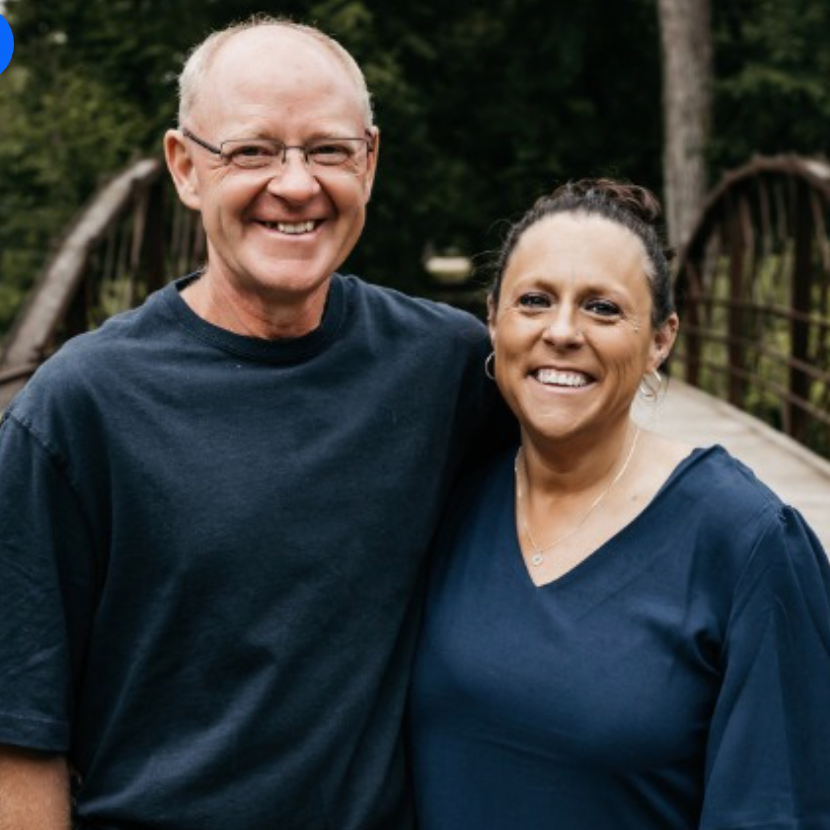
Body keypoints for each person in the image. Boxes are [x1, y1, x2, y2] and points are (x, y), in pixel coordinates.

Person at [0, 16, 502, 830]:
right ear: (185, 167)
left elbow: (598, 480)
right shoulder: (79, 408)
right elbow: (18, 731)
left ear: (369, 162)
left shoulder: (449, 371)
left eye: (329, 150)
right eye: (253, 151)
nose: (296, 183)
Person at [409, 179, 830, 829]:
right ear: (493, 318)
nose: (563, 331)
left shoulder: (748, 542)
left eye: (603, 309)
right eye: (534, 300)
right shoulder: (449, 502)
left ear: (662, 339)